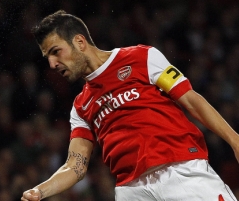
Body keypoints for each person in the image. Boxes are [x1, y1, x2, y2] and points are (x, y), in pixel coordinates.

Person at [21, 10, 239, 201]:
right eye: (47, 57)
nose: (51, 64)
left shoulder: (141, 57)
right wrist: (40, 191)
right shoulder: (80, 107)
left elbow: (191, 100)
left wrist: (234, 140)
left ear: (79, 42)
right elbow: (75, 166)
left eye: (55, 51)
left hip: (181, 172)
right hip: (131, 192)